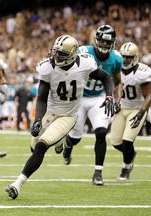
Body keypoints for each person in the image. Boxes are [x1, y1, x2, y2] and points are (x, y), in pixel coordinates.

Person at [5, 35, 114, 200]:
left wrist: (110, 96)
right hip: (50, 111)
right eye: (55, 52)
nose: (56, 56)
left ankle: (17, 184)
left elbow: (106, 77)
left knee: (42, 145)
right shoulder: (47, 67)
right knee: (34, 145)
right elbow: (41, 98)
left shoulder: (85, 64)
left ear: (72, 54)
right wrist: (37, 119)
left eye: (61, 54)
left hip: (68, 115)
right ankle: (60, 141)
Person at [56, 25, 122, 186]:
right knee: (76, 138)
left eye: (108, 42)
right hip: (78, 97)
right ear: (96, 40)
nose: (105, 45)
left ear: (113, 43)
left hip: (99, 97)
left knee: (101, 131)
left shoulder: (116, 59)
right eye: (102, 41)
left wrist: (116, 99)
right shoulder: (83, 52)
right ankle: (68, 145)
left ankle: (98, 172)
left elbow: (117, 81)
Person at [111, 42, 151, 180]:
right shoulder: (117, 68)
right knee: (116, 142)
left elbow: (149, 94)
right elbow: (117, 86)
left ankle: (126, 169)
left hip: (136, 109)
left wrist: (141, 112)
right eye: (123, 56)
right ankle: (131, 154)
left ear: (135, 57)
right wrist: (116, 102)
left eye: (129, 57)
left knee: (127, 140)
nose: (125, 60)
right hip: (122, 108)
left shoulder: (143, 72)